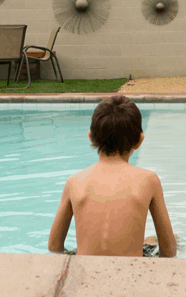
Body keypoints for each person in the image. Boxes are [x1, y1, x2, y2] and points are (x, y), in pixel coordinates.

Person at [48, 95, 177, 257]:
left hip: (86, 269)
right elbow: (169, 251)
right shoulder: (149, 180)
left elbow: (54, 246)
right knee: (173, 240)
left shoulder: (74, 181)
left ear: (90, 136)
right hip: (130, 272)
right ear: (139, 141)